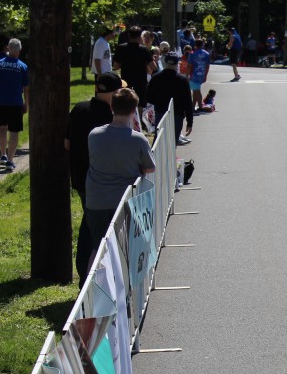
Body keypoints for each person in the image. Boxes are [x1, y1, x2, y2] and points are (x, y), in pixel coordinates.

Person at [66, 71, 122, 286]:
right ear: (115, 92)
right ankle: (89, 277)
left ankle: (89, 274)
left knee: (89, 224)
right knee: (94, 230)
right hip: (100, 183)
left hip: (79, 177)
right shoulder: (110, 116)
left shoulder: (79, 108)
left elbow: (67, 143)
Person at [85, 87, 156, 254]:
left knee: (98, 249)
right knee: (125, 250)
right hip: (124, 201)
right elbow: (150, 167)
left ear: (111, 107)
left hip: (97, 199)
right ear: (133, 111)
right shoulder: (138, 139)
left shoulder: (94, 135)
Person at [0, 38, 29, 171]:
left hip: (0, 101)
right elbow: (26, 88)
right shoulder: (22, 66)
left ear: (8, 49)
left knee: (2, 127)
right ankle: (10, 160)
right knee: (14, 131)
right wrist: (26, 103)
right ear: (20, 50)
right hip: (15, 103)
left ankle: (3, 154)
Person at [146, 53, 194, 144]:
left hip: (160, 113)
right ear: (177, 63)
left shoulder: (155, 78)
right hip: (177, 115)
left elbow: (149, 98)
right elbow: (188, 102)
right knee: (172, 143)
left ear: (165, 62)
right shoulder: (183, 80)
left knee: (159, 141)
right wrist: (190, 122)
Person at [112, 27, 152, 114]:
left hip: (126, 78)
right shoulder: (144, 49)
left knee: (126, 99)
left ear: (129, 35)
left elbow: (116, 66)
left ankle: (126, 116)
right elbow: (153, 66)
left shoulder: (121, 48)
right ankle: (139, 119)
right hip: (140, 80)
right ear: (140, 36)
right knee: (140, 102)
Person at [187, 39, 210, 112]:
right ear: (202, 45)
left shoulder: (192, 54)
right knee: (196, 90)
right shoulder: (206, 54)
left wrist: (187, 75)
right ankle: (197, 106)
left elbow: (189, 66)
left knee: (196, 91)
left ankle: (196, 107)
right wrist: (205, 75)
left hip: (194, 74)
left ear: (195, 45)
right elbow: (207, 66)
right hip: (202, 74)